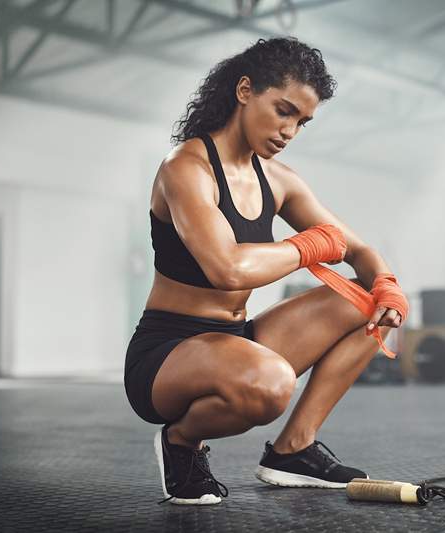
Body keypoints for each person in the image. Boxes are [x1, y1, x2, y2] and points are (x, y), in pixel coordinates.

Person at [124, 36, 408, 505]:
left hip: (237, 340)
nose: (289, 130)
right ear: (243, 91)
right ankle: (180, 442)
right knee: (273, 383)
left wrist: (389, 288)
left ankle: (292, 449)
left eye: (302, 121)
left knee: (370, 300)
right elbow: (227, 269)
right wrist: (310, 245)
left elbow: (358, 249)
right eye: (283, 110)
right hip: (166, 355)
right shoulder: (186, 168)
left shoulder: (280, 180)